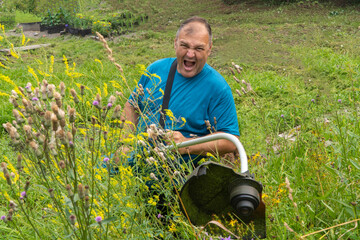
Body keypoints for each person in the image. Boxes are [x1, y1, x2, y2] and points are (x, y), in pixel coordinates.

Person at [123, 16, 239, 166]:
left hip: (182, 175)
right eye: (184, 46)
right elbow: (132, 105)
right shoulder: (155, 69)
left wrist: (186, 145)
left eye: (198, 48)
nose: (190, 54)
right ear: (175, 43)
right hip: (138, 163)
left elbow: (230, 140)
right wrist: (125, 143)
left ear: (209, 49)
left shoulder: (218, 87)